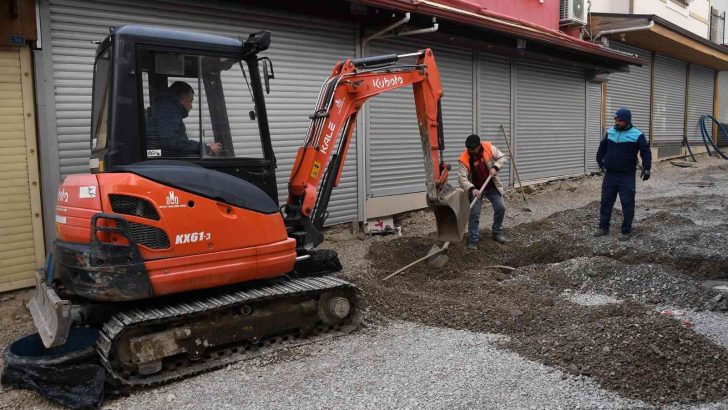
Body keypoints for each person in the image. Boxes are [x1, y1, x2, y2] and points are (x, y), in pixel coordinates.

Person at [595, 108, 652, 241]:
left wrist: (647, 168)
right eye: (616, 120)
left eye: (620, 120)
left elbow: (646, 152)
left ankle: (626, 231)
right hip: (610, 175)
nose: (617, 122)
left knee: (627, 203)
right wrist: (600, 162)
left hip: (627, 175)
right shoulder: (610, 132)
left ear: (627, 121)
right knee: (606, 202)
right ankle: (603, 227)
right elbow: (602, 148)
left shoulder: (637, 134)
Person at [145, 81, 222, 157]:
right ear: (182, 99)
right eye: (191, 100)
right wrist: (206, 148)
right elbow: (173, 142)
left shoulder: (163, 108)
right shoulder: (167, 110)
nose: (191, 106)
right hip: (161, 161)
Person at [458, 134, 508, 249]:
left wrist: (495, 167)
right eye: (468, 149)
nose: (470, 151)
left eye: (472, 149)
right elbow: (462, 178)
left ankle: (496, 232)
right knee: (474, 214)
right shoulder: (464, 158)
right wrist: (471, 189)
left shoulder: (488, 148)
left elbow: (502, 158)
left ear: (478, 146)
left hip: (491, 185)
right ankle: (473, 239)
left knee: (501, 207)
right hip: (476, 189)